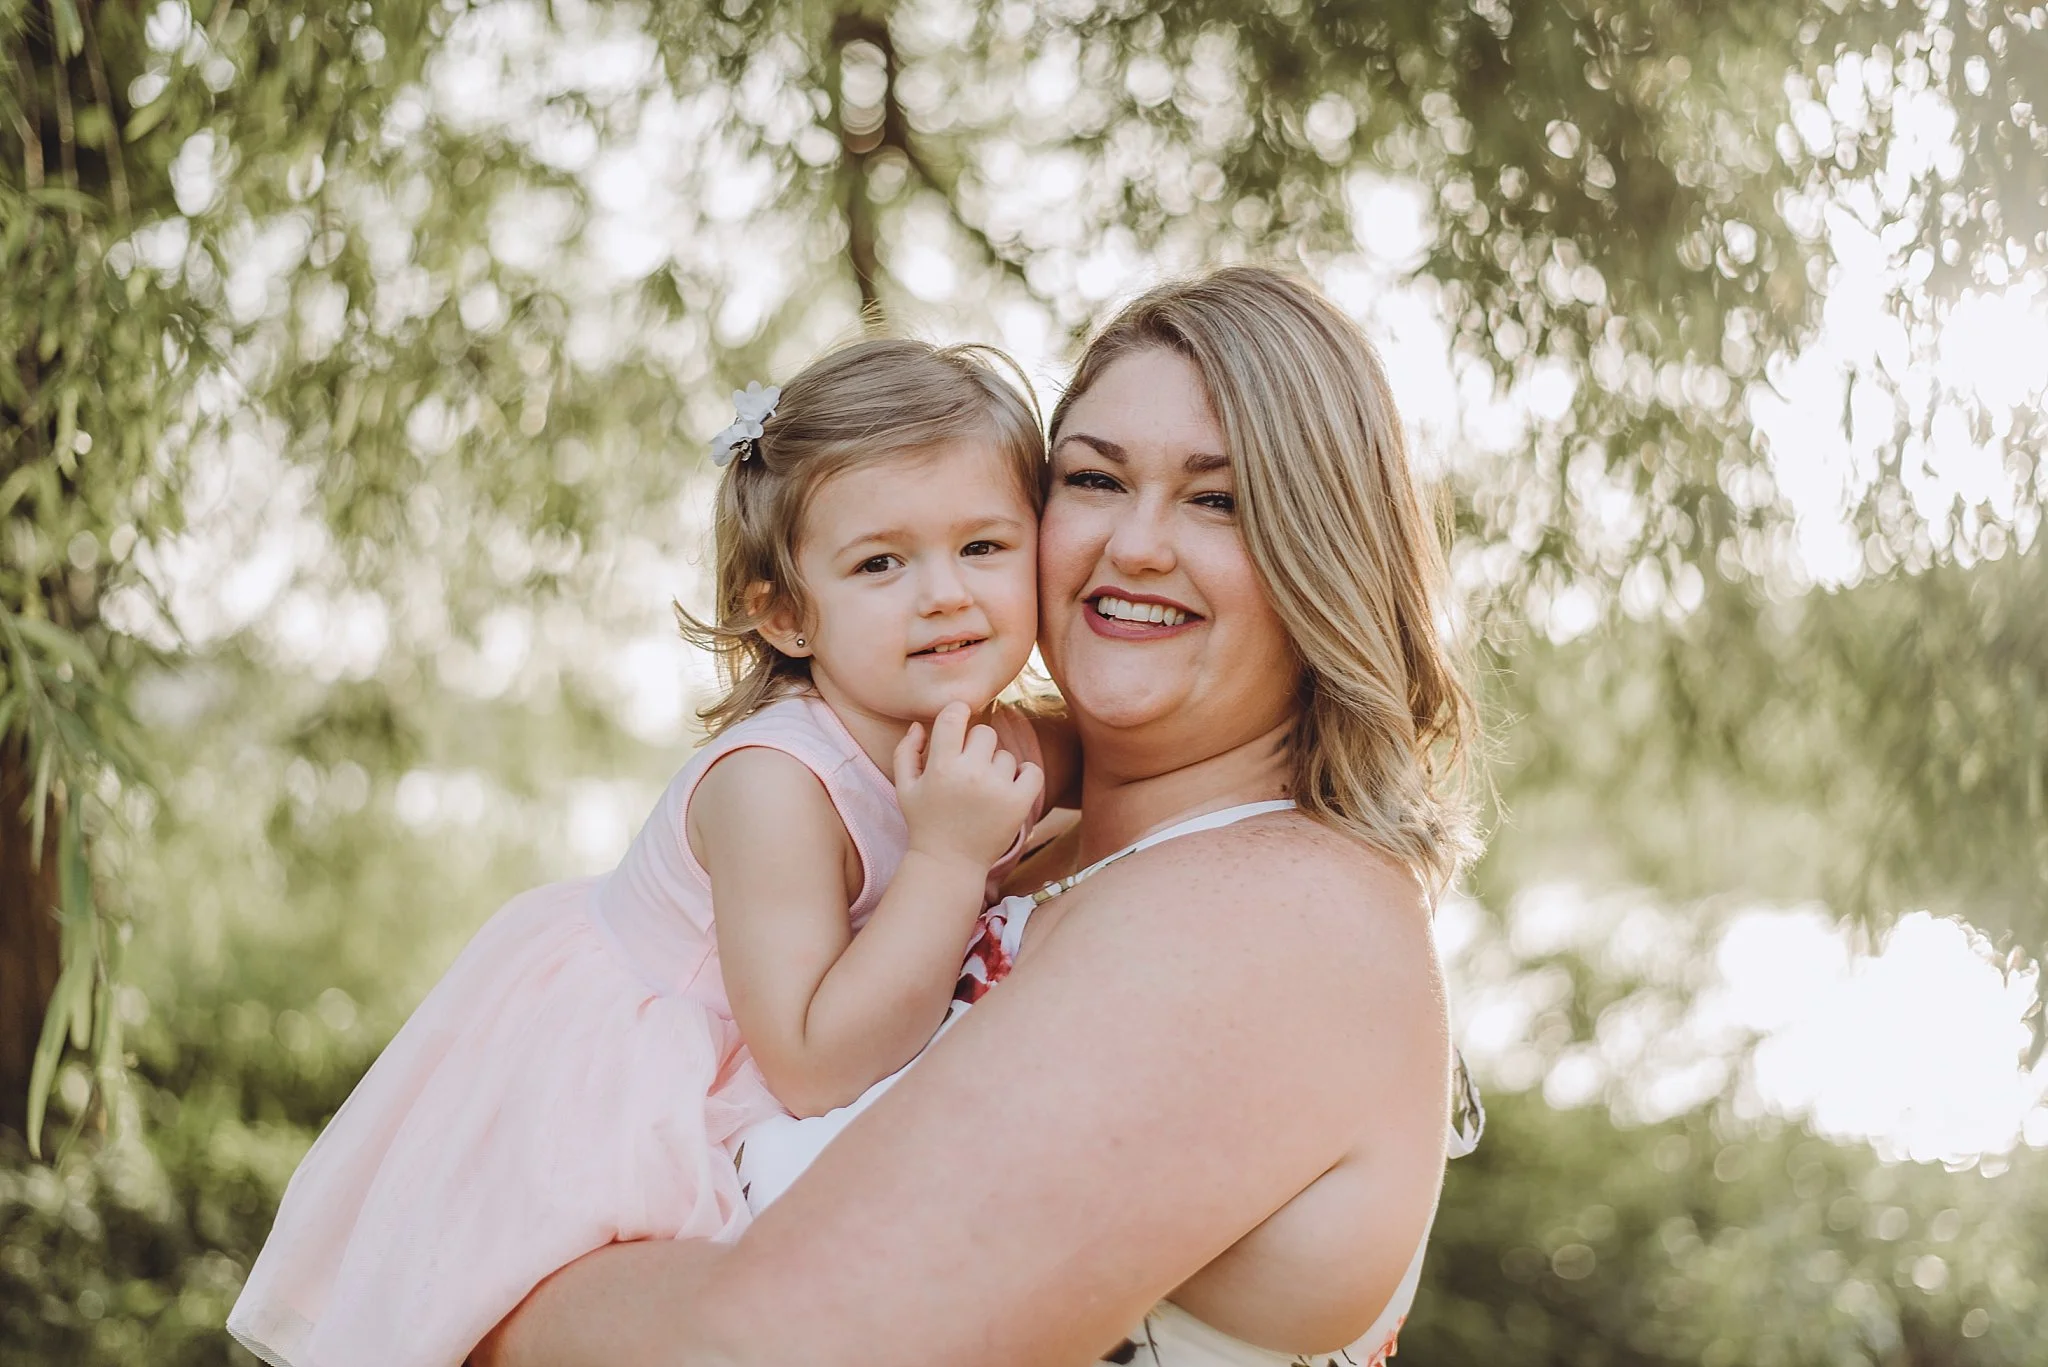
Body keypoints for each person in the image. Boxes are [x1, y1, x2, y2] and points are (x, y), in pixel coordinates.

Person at [478, 264, 1485, 1367]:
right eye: (1093, 480)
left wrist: (479, 1293)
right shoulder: (1006, 846)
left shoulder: (1276, 909)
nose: (1135, 544)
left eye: (1218, 498)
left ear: (1326, 554)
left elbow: (779, 1346)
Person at [228, 338, 1077, 1367]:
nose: (944, 592)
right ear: (786, 614)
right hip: (638, 1080)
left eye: (983, 546)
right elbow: (809, 1064)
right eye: (879, 563)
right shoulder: (774, 786)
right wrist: (947, 859)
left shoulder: (984, 727)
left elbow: (1109, 763)